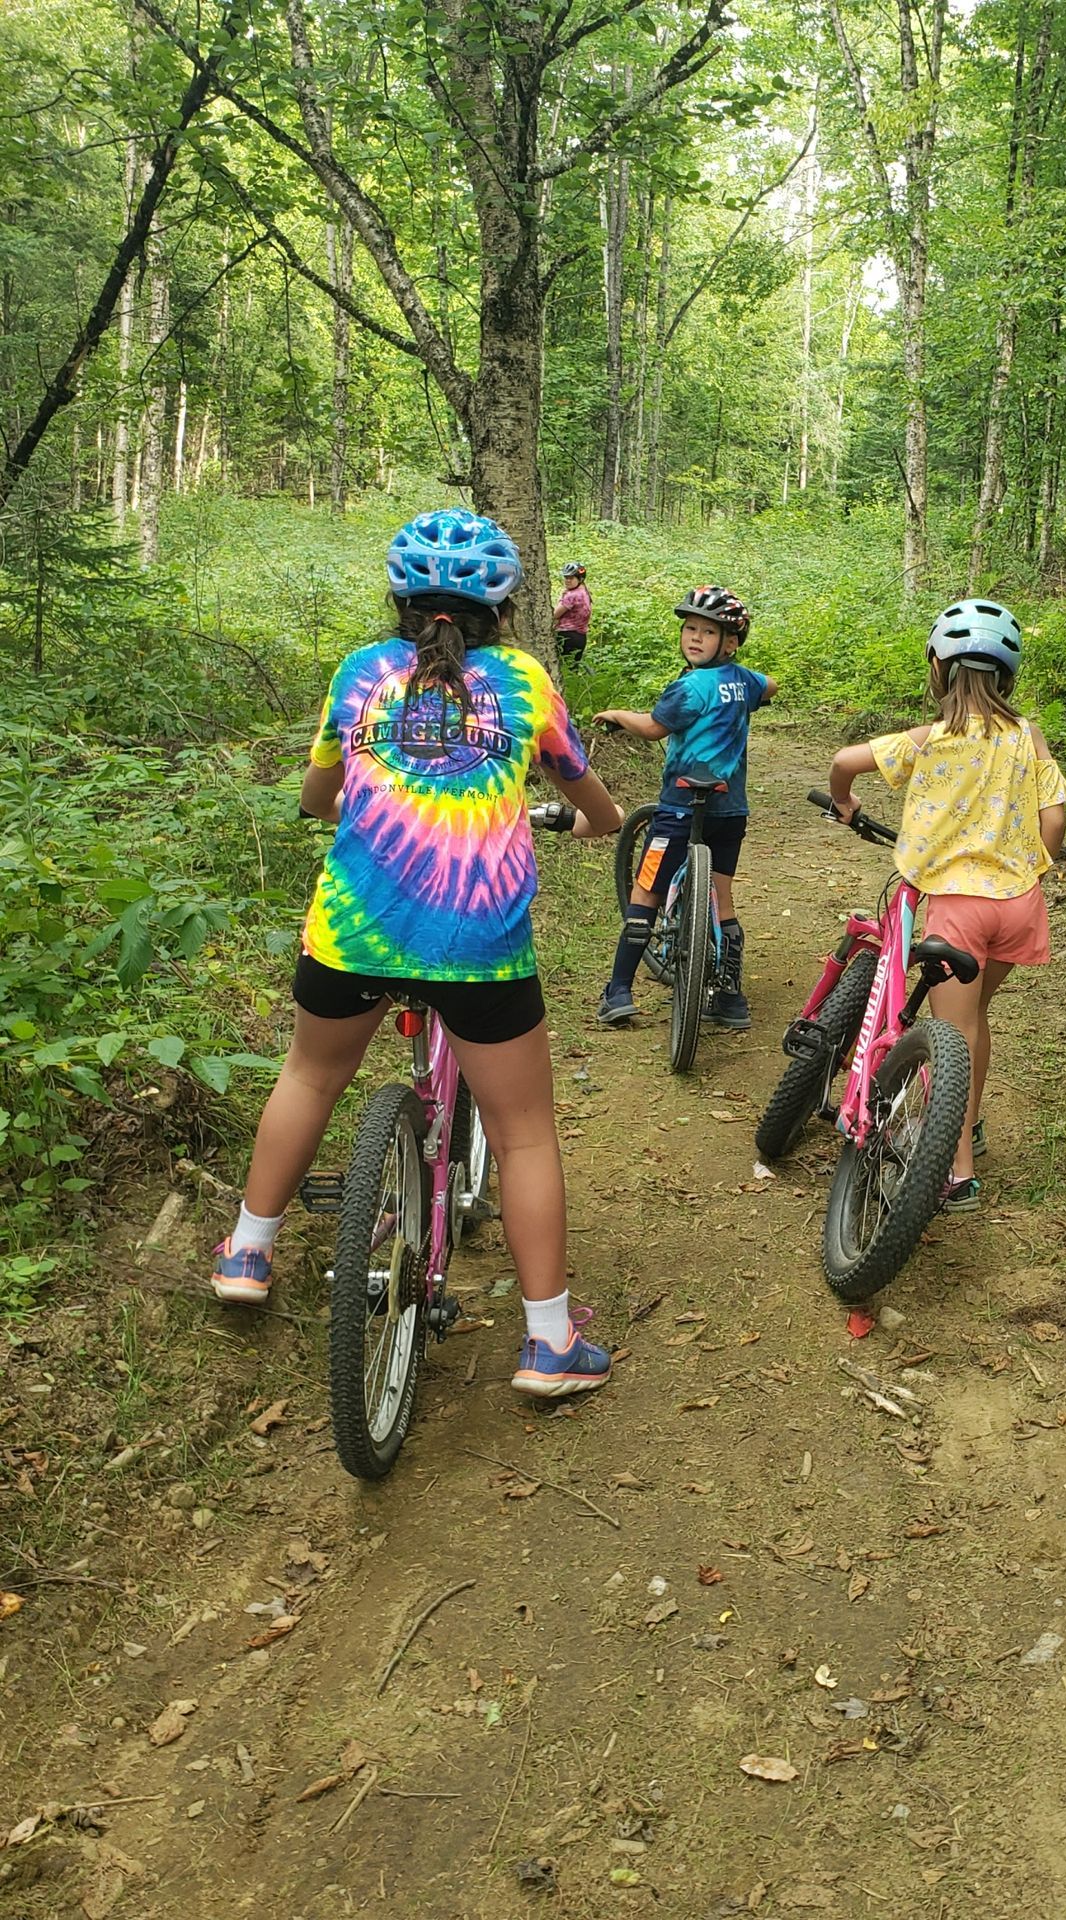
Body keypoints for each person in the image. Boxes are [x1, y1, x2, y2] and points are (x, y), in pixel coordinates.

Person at [208, 509, 627, 1399]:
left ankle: (247, 1251)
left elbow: (319, 797)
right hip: (479, 945)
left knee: (309, 1079)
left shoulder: (360, 674)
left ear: (398, 600)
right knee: (523, 1133)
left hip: (354, 934)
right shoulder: (523, 682)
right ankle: (549, 1343)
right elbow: (595, 803)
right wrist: (595, 824)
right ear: (503, 610)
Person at [826, 599, 1066, 1212]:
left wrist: (845, 803)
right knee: (972, 1021)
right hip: (1020, 903)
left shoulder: (928, 739)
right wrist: (1027, 865)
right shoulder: (1028, 735)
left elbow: (843, 763)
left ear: (937, 666)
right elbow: (1055, 820)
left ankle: (955, 1168)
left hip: (958, 907)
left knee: (950, 1032)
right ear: (1008, 675)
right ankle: (970, 1125)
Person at [593, 586, 774, 1031]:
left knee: (647, 891)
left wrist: (617, 714)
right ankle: (731, 998)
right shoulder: (745, 681)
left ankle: (618, 990)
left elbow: (654, 728)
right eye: (690, 629)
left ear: (728, 641)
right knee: (722, 899)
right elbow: (769, 685)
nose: (694, 637)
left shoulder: (689, 687)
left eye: (706, 631)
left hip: (678, 808)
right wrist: (757, 696)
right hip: (730, 811)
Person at [554, 561, 592, 666]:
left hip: (567, 636)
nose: (567, 581)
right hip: (580, 637)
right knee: (572, 669)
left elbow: (555, 614)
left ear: (580, 579)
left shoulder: (572, 595)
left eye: (571, 578)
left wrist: (561, 597)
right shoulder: (584, 591)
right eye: (566, 578)